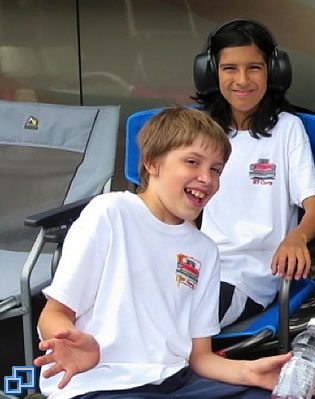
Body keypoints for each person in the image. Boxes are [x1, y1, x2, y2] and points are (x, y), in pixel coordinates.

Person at [33, 108, 292, 399]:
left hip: (175, 382)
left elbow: (200, 358)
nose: (206, 178)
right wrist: (68, 340)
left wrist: (249, 372)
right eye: (193, 162)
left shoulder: (204, 250)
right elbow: (54, 314)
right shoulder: (111, 213)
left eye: (216, 169)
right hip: (103, 382)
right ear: (152, 163)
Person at [194, 19, 315, 327]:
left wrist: (297, 237)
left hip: (249, 276)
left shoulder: (287, 129)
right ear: (211, 71)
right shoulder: (201, 130)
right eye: (229, 68)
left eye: (254, 67)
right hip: (193, 265)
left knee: (183, 320)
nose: (242, 80)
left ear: (274, 70)